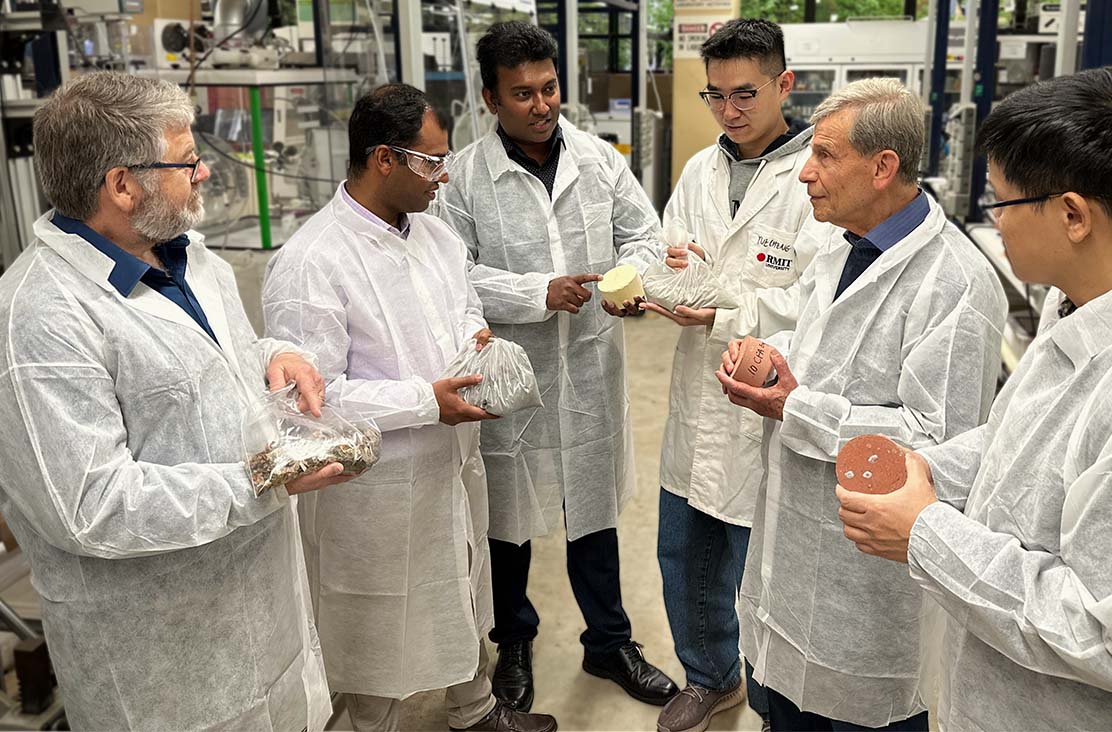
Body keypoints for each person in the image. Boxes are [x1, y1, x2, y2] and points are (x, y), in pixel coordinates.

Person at [837, 67, 1112, 731]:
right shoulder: (1083, 303)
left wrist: (926, 532)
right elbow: (1025, 434)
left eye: (1002, 205)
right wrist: (931, 471)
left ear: (1073, 214)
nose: (996, 228)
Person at [0, 71, 347, 730]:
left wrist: (274, 354)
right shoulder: (39, 319)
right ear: (121, 184)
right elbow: (90, 507)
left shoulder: (186, 256)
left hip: (262, 604)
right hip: (163, 657)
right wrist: (264, 479)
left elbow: (216, 359)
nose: (205, 175)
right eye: (186, 163)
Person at [262, 84, 557, 732]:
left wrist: (477, 339)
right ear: (383, 160)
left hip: (449, 465)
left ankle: (476, 710)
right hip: (374, 493)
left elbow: (465, 307)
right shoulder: (312, 262)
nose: (442, 174)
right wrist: (425, 403)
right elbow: (311, 401)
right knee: (378, 635)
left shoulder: (434, 234)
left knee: (458, 589)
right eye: (430, 162)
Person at [715, 78, 1007, 731]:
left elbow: (938, 444)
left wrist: (798, 407)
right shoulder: (840, 243)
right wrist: (771, 354)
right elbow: (828, 348)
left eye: (824, 156)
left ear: (883, 167)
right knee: (781, 707)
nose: (805, 175)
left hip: (867, 597)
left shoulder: (954, 283)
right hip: (788, 562)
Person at [436, 20, 676, 714]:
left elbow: (644, 236)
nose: (542, 105)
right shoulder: (466, 177)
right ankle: (512, 640)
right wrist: (535, 292)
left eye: (549, 88)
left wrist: (630, 284)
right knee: (508, 519)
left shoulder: (599, 160)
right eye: (523, 94)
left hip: (591, 365)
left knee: (592, 511)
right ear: (490, 99)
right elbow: (453, 275)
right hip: (512, 373)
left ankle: (609, 642)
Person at [644, 19, 829, 732]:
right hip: (698, 397)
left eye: (745, 92)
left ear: (785, 83)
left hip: (766, 405)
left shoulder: (816, 171)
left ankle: (777, 697)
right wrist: (661, 286)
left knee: (765, 569)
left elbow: (819, 300)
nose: (729, 110)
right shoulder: (700, 170)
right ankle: (707, 676)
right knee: (685, 552)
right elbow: (672, 254)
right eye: (715, 95)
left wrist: (722, 310)